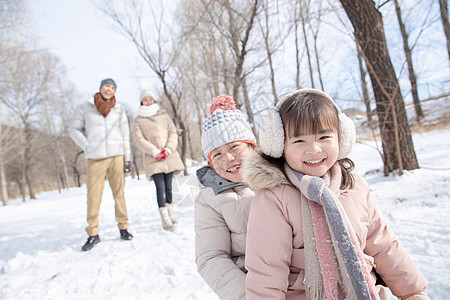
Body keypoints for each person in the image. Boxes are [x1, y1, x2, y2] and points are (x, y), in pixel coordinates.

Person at [242, 89, 429, 300]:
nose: (313, 149)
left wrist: (413, 292)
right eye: (299, 141)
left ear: (342, 138)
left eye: (323, 137)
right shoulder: (274, 198)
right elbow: (266, 271)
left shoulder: (355, 187)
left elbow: (384, 245)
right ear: (280, 146)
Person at [195, 95, 257, 300]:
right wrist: (249, 295)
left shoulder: (280, 177)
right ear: (210, 163)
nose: (228, 159)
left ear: (251, 146)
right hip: (251, 283)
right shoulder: (209, 200)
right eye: (217, 154)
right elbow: (211, 257)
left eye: (234, 147)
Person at [69, 78, 133, 252]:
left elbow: (126, 134)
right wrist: (87, 145)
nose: (109, 89)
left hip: (116, 155)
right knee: (93, 196)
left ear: (115, 91)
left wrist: (128, 158)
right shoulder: (86, 107)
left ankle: (124, 227)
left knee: (119, 194)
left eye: (112, 87)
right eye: (107, 86)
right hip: (95, 158)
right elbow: (73, 129)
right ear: (100, 87)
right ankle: (93, 233)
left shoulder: (119, 110)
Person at [132, 90, 185, 231]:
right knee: (160, 188)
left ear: (154, 100)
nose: (148, 101)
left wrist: (168, 149)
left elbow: (172, 132)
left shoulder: (163, 115)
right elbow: (139, 139)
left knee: (169, 187)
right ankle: (164, 218)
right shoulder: (138, 120)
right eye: (145, 99)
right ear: (141, 102)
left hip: (168, 155)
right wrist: (154, 152)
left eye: (150, 99)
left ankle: (171, 213)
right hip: (153, 158)